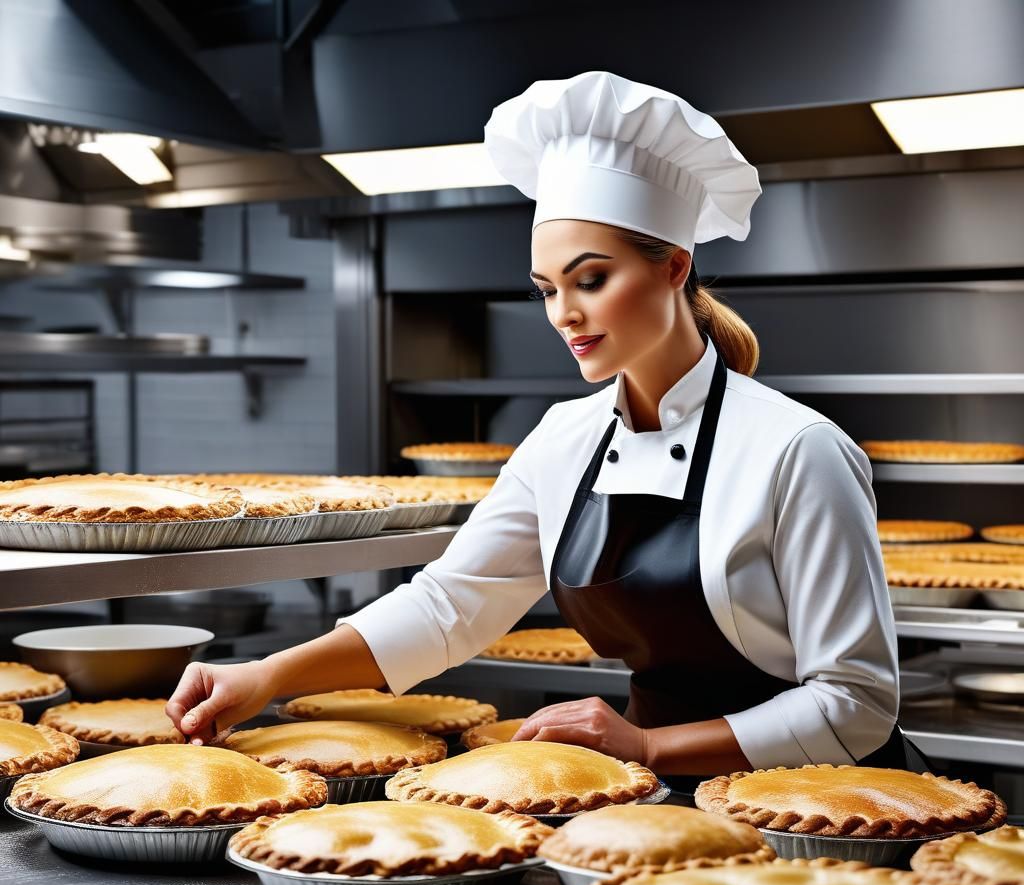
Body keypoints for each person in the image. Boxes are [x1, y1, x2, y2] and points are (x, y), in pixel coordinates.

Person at [167, 71, 920, 785]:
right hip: (661, 792)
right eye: (547, 289)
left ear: (673, 268)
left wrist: (648, 745)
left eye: (591, 279)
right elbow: (449, 606)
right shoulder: (565, 440)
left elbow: (855, 703)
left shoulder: (797, 450)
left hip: (831, 802)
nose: (565, 314)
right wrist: (266, 675)